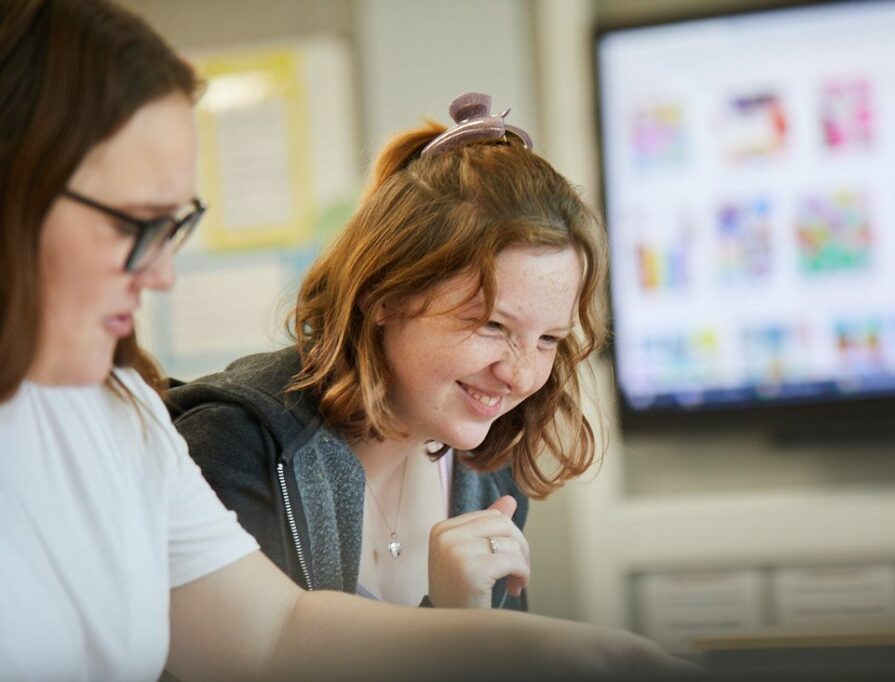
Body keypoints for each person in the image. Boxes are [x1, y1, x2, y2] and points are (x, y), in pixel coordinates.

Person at [0, 0, 686, 680]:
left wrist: (568, 651)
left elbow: (271, 636)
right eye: (135, 223)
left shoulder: (118, 413)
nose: (162, 273)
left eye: (174, 226)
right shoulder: (237, 437)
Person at [166, 91, 605, 612]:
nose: (520, 374)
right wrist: (452, 626)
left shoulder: (489, 469)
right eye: (491, 325)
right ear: (384, 297)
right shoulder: (233, 446)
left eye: (549, 339)